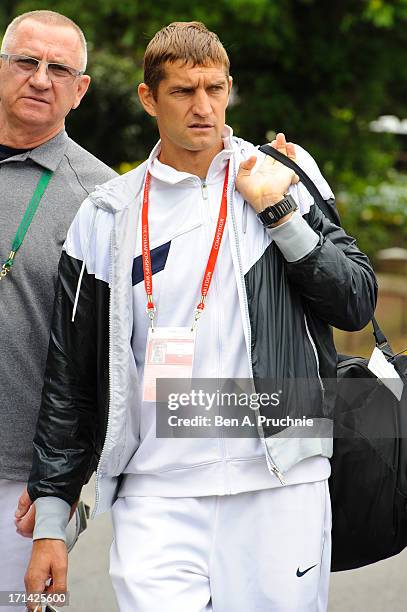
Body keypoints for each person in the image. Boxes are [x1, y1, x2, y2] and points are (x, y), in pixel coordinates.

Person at [25, 21, 376, 612]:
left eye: (215, 89)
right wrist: (52, 520)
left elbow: (355, 302)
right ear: (149, 99)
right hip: (158, 491)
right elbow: (71, 374)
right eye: (184, 92)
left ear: (230, 89)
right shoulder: (107, 213)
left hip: (279, 484)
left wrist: (281, 213)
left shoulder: (282, 175)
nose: (203, 107)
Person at [0, 9, 116, 609]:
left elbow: (102, 360)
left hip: (17, 487)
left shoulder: (100, 200)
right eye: (27, 61)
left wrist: (60, 489)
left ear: (80, 88)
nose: (41, 78)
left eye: (59, 67)